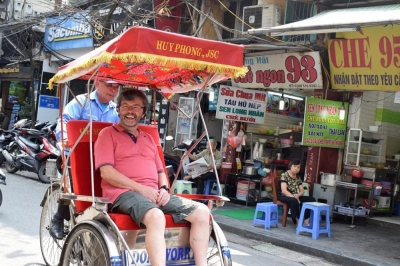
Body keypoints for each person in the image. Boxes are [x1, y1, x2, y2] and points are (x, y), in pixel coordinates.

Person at [94, 89, 210, 266]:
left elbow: (160, 172)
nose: (130, 111)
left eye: (136, 107)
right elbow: (106, 173)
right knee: (156, 216)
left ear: (143, 112)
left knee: (202, 212)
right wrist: (141, 189)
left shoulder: (149, 139)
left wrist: (163, 189)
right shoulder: (107, 134)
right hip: (123, 193)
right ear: (118, 110)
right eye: (125, 106)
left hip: (153, 193)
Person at [49, 79, 120, 239]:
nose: (113, 90)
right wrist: (65, 136)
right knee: (77, 187)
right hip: (75, 154)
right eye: (110, 85)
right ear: (98, 84)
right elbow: (64, 120)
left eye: (116, 87)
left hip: (102, 158)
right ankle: (58, 218)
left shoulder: (115, 111)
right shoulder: (81, 102)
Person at [277, 158, 316, 226]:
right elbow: (284, 191)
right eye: (294, 166)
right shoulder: (284, 175)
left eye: (298, 167)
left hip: (294, 196)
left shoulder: (297, 177)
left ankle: (306, 221)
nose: (296, 169)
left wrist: (298, 195)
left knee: (311, 199)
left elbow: (302, 191)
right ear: (290, 166)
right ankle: (298, 222)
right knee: (294, 201)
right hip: (283, 196)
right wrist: (295, 198)